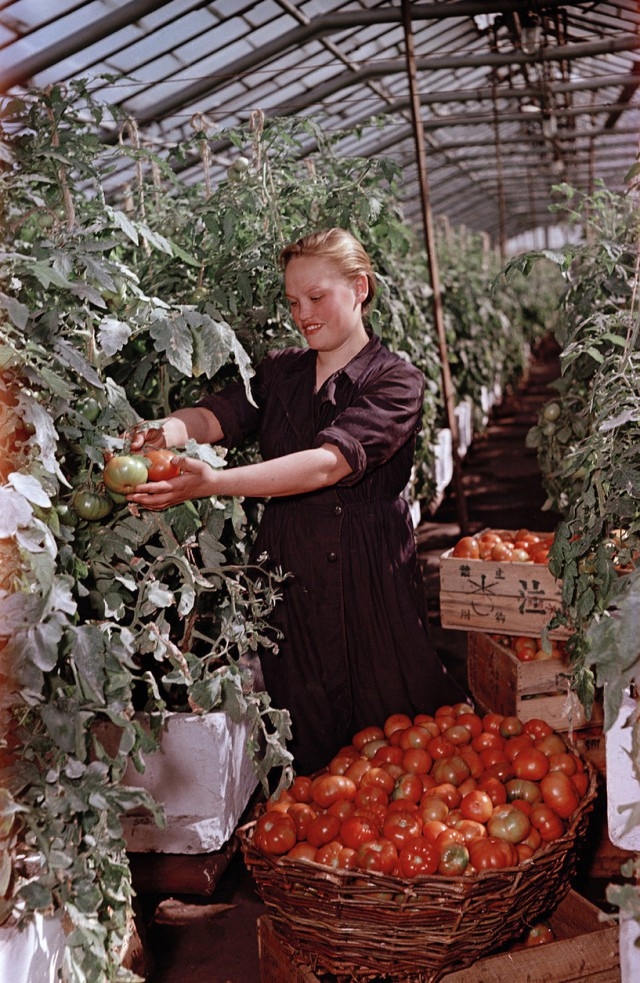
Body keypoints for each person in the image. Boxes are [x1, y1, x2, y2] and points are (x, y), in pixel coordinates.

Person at [127, 228, 468, 775]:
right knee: (307, 732)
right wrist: (164, 431)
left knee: (398, 734)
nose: (303, 314)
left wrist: (212, 482)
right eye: (292, 302)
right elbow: (221, 415)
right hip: (288, 574)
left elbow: (328, 463)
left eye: (316, 298)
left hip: (369, 574)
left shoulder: (396, 381)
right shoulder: (282, 371)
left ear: (359, 288)